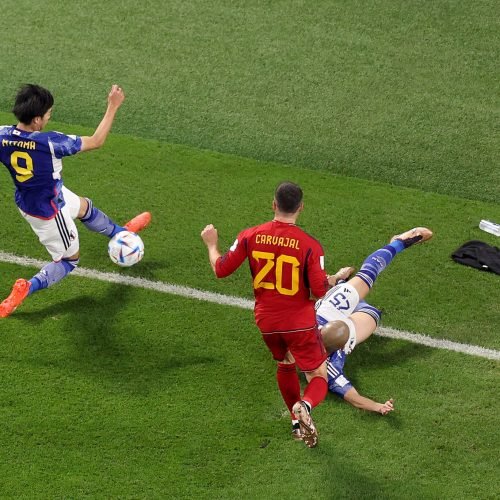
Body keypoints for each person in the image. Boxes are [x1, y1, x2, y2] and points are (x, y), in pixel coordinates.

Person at [201, 181, 336, 448]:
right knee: (318, 375)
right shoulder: (310, 245)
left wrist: (211, 244)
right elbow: (319, 290)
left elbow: (221, 269)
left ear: (273, 204)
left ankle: (296, 424)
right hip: (298, 321)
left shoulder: (250, 235)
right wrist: (331, 280)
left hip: (267, 321)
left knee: (285, 363)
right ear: (301, 208)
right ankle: (305, 406)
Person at [0, 84, 151, 317]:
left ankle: (121, 233)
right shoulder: (50, 143)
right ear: (37, 120)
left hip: (36, 197)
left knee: (84, 207)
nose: (51, 117)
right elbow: (96, 141)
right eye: (49, 113)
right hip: (49, 210)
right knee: (69, 261)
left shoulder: (2, 136)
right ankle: (27, 288)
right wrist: (113, 106)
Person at [313, 227, 433, 427]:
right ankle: (336, 282)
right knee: (372, 313)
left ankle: (397, 243)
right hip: (334, 317)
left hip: (326, 310)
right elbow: (353, 397)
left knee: (367, 275)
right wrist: (378, 406)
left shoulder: (310, 324)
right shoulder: (328, 368)